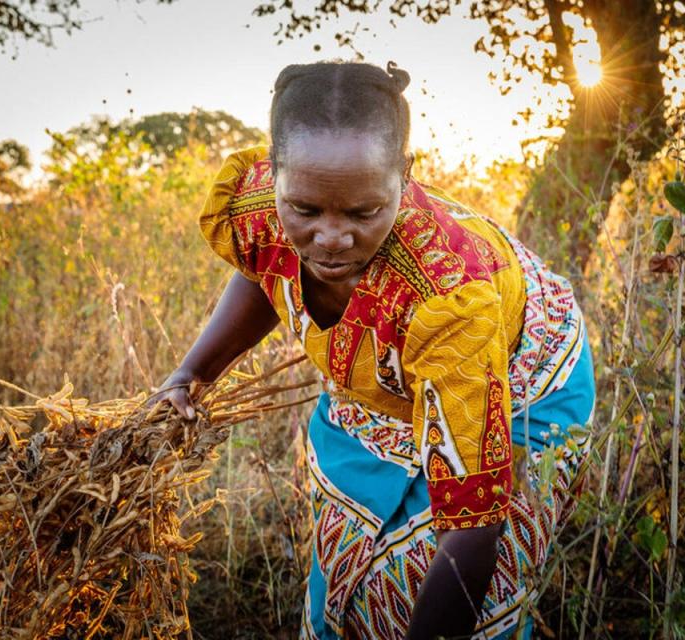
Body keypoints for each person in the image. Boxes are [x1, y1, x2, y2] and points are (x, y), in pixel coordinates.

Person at [151, 60, 596, 640]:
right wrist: (192, 371)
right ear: (277, 173)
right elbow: (268, 262)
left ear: (405, 175)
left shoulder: (447, 298)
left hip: (517, 374)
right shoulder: (264, 200)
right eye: (304, 211)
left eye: (364, 212)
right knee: (345, 571)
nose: (331, 238)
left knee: (431, 586)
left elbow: (472, 525)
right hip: (392, 371)